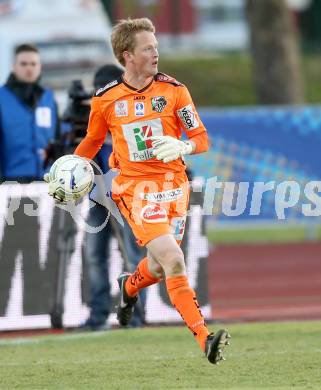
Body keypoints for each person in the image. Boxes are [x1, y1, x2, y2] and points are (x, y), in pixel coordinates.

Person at [48, 17, 230, 365]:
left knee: (158, 268)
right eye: (148, 48)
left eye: (156, 47)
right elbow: (93, 140)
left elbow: (201, 139)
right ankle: (205, 338)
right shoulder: (106, 99)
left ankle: (128, 287)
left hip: (175, 187)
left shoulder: (175, 91)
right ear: (127, 55)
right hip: (135, 189)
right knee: (174, 260)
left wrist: (183, 148)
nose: (156, 53)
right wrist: (71, 166)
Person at [81, 64, 146, 331]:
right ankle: (98, 315)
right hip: (98, 199)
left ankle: (136, 316)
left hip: (128, 199)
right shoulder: (93, 118)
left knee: (133, 258)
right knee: (95, 256)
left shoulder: (133, 118)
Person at [0, 43, 59, 182]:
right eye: (24, 64)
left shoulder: (48, 98)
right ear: (14, 66)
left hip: (46, 179)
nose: (29, 68)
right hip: (11, 180)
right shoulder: (2, 98)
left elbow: (57, 137)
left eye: (33, 64)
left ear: (39, 67)